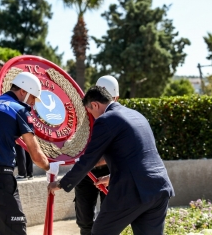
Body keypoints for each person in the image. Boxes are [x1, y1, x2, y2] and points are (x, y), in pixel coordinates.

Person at [48, 86, 174, 235]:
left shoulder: (106, 120)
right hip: (159, 188)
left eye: (91, 112)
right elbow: (139, 157)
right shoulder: (136, 115)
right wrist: (111, 177)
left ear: (95, 105)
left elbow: (89, 159)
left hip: (133, 191)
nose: (93, 118)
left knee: (100, 232)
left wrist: (62, 183)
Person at [0, 71, 60, 235]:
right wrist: (50, 167)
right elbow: (36, 155)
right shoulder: (19, 109)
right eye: (32, 98)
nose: (32, 103)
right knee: (14, 230)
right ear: (23, 91)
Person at [74, 75, 119, 235]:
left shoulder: (119, 117)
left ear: (116, 98)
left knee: (110, 220)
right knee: (84, 220)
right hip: (86, 172)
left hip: (109, 171)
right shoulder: (84, 113)